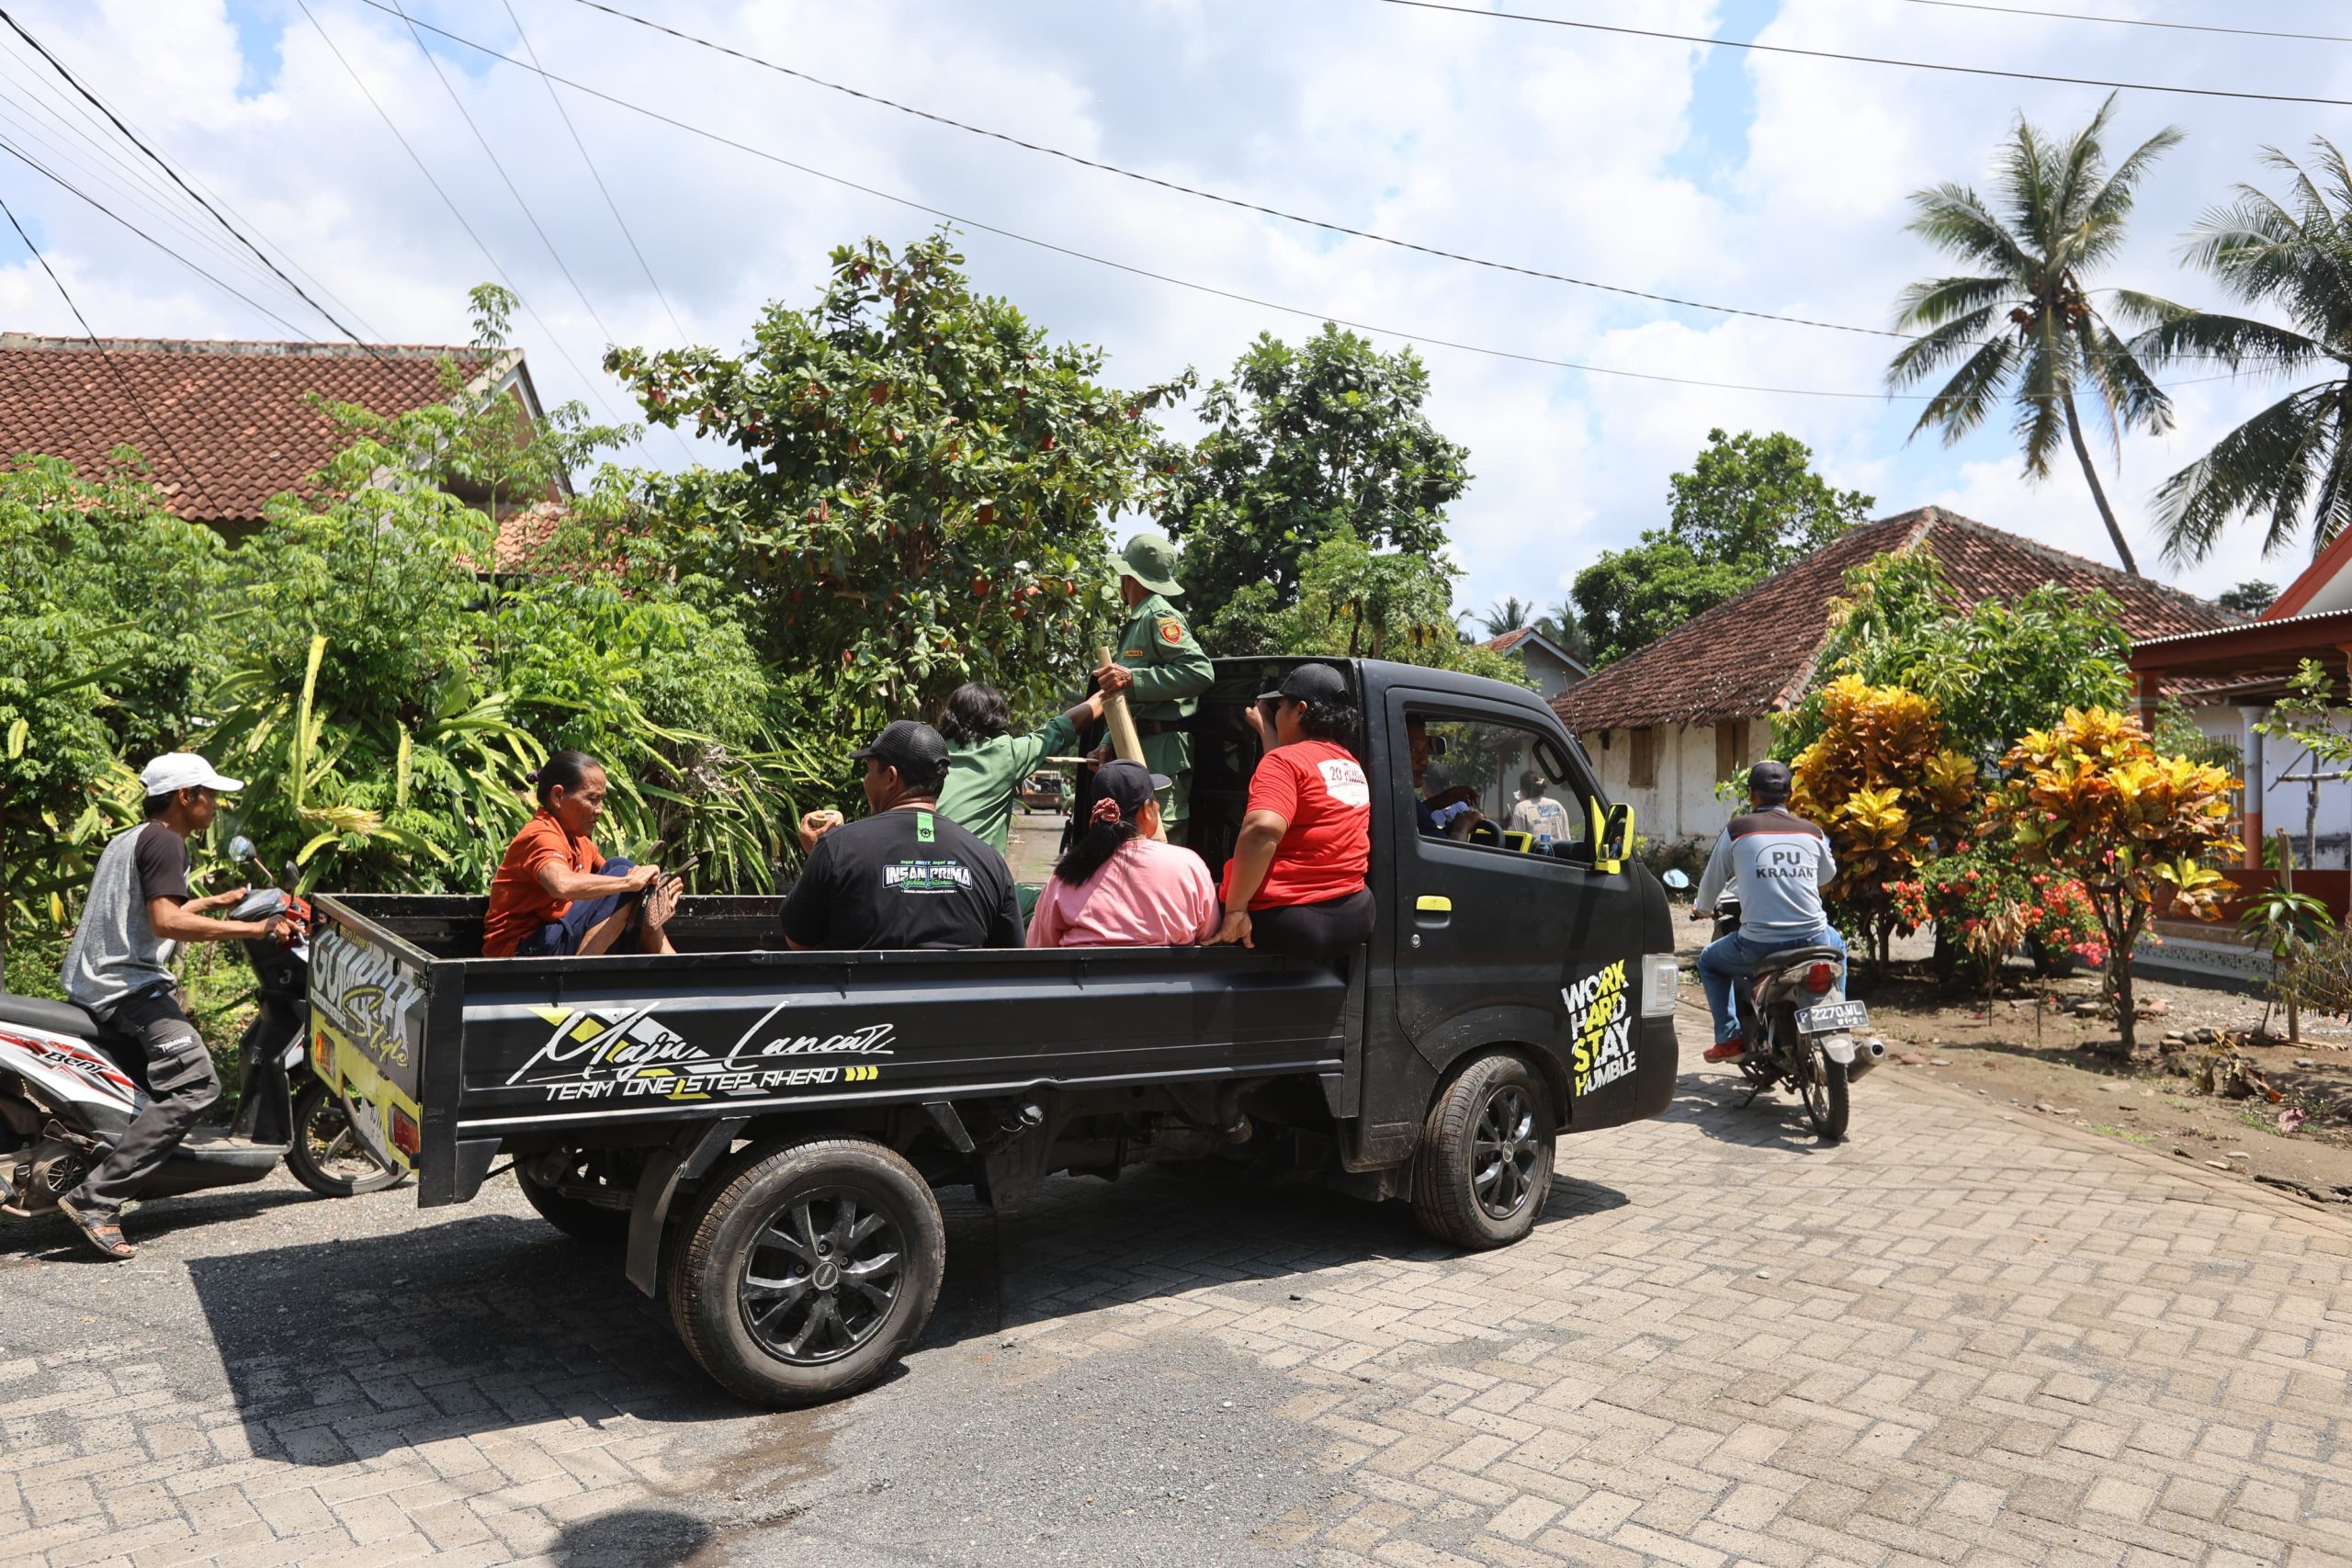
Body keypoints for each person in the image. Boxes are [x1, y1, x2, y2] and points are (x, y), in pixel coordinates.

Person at [54, 753, 293, 1260]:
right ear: (186, 796)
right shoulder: (168, 841)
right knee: (196, 1083)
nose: (216, 804)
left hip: (95, 980)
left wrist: (212, 902)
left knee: (165, 1081)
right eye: (210, 794)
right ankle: (97, 1199)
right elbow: (165, 922)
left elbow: (156, 908)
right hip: (127, 987)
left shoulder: (133, 837)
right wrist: (256, 928)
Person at [781, 719, 1023, 951]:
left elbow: (800, 942)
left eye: (869, 770)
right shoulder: (989, 861)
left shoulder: (837, 849)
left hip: (864, 993)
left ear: (891, 777)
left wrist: (817, 855)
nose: (866, 779)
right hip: (957, 994)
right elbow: (1009, 956)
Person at [1213, 663, 1375, 960]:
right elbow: (1296, 769)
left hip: (1290, 919)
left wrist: (1236, 909)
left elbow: (1261, 830)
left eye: (1279, 706)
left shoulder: (1284, 763)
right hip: (1354, 914)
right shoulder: (1350, 765)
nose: (1276, 713)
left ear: (1300, 710)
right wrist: (1266, 728)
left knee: (1198, 897)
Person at [1693, 760, 1847, 1061]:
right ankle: (1836, 1018)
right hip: (1813, 938)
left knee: (1709, 962)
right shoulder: (1812, 832)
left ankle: (1728, 1038)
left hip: (1758, 944)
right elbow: (1826, 877)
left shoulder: (1738, 830)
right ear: (1789, 796)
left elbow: (1712, 881)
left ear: (1751, 795)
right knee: (1838, 946)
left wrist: (1702, 909)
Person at [481, 750, 678, 959]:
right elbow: (561, 885)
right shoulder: (540, 835)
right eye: (592, 799)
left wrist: (654, 890)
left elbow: (612, 885)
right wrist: (630, 882)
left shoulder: (578, 839)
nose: (600, 810)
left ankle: (668, 958)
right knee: (624, 876)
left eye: (601, 800)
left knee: (620, 866)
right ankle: (578, 975)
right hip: (522, 951)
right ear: (558, 796)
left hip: (553, 938)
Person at [1092, 533, 1213, 843]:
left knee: (1162, 838)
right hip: (1134, 748)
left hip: (1164, 751)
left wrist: (1134, 679)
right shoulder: (1136, 621)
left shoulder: (1160, 615)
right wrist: (1108, 741)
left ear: (1128, 576)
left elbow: (1200, 671)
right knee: (1132, 839)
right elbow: (1126, 700)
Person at [1027, 760, 1218, 948]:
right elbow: (1209, 937)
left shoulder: (1065, 877)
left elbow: (1038, 947)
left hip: (1087, 978)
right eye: (1156, 799)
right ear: (1147, 810)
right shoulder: (1188, 866)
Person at [935, 682, 1106, 854]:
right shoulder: (1005, 755)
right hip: (979, 874)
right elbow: (1068, 724)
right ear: (996, 717)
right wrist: (1108, 690)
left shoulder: (929, 752)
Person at [1405, 715, 1483, 839]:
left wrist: (1441, 801)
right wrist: (1462, 826)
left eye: (1425, 749)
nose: (1424, 761)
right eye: (1413, 749)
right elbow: (1449, 856)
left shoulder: (1405, 803)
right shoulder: (1401, 801)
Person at [1507, 771, 1576, 845]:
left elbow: (1518, 842)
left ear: (1523, 790)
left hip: (1534, 855)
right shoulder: (1556, 805)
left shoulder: (1521, 808)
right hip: (1560, 854)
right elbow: (1567, 838)